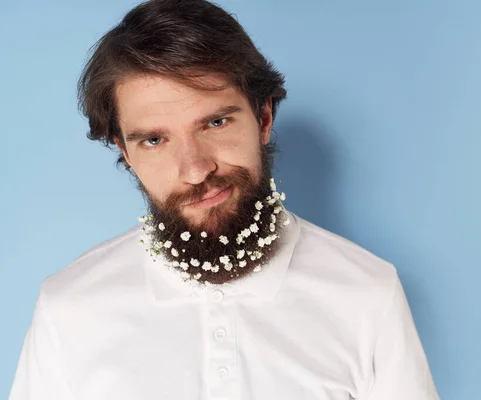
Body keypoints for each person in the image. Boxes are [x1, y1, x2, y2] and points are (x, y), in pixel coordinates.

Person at [9, 0, 439, 399]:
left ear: (263, 117)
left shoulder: (367, 293)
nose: (195, 169)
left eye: (216, 122)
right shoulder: (70, 308)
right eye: (155, 139)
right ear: (125, 152)